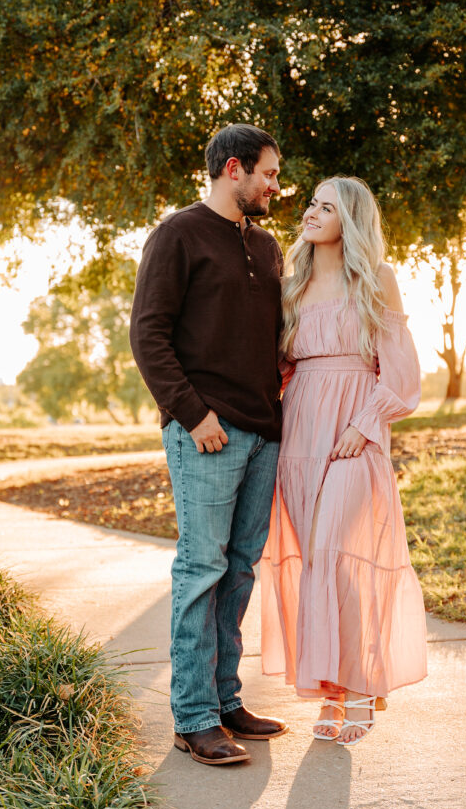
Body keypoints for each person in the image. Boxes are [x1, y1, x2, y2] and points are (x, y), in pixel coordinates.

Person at [130, 124, 288, 766]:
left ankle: (224, 700)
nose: (276, 186)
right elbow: (149, 335)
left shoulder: (269, 245)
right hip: (207, 436)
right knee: (202, 571)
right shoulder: (177, 234)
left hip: (264, 431)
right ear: (234, 169)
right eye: (269, 174)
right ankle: (192, 716)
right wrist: (193, 416)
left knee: (241, 569)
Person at [260, 176, 428, 745]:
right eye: (310, 203)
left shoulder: (376, 279)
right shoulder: (291, 284)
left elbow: (400, 367)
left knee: (341, 556)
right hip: (300, 428)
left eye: (325, 207)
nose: (310, 213)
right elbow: (280, 368)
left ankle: (359, 687)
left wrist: (366, 422)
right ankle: (330, 691)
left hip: (355, 430)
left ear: (349, 220)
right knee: (314, 563)